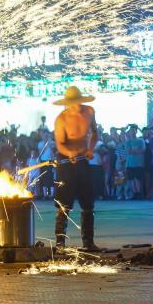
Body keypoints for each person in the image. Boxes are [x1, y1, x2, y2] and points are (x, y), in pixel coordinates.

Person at [51, 86, 100, 251]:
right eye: (73, 103)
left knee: (88, 203)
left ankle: (89, 243)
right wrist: (69, 152)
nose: (77, 106)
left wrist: (91, 149)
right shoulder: (62, 119)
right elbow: (60, 144)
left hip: (83, 161)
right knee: (64, 205)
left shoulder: (90, 112)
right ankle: (60, 245)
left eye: (78, 102)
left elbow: (95, 134)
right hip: (66, 163)